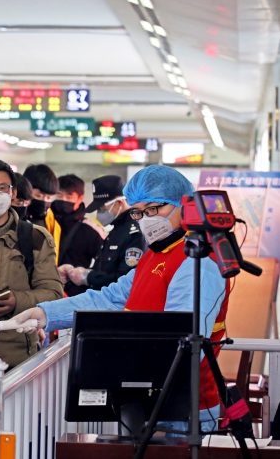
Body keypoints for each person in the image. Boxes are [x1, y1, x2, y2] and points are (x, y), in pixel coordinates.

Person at [15, 165, 228, 435]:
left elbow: (182, 339)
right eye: (138, 212)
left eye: (153, 210)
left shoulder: (198, 262)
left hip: (185, 407)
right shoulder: (155, 255)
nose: (145, 219)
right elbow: (109, 299)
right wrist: (44, 313)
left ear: (183, 205)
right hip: (145, 396)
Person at [0, 161, 63, 368]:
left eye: (2, 188)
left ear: (13, 193)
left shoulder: (35, 237)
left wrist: (18, 300)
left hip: (16, 356)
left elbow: (53, 292)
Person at [64, 175, 147, 290]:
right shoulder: (116, 230)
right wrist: (78, 273)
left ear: (119, 202)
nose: (99, 213)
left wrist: (88, 277)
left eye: (102, 209)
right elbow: (104, 269)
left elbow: (127, 280)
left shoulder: (134, 233)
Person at [52, 174, 105, 296]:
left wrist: (84, 276)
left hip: (76, 294)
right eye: (59, 195)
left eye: (69, 196)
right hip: (45, 290)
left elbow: (105, 263)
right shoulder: (45, 223)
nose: (63, 199)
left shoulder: (90, 230)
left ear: (80, 198)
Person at [23, 164, 59, 230]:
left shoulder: (52, 222)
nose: (44, 201)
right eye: (39, 196)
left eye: (49, 198)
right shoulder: (13, 218)